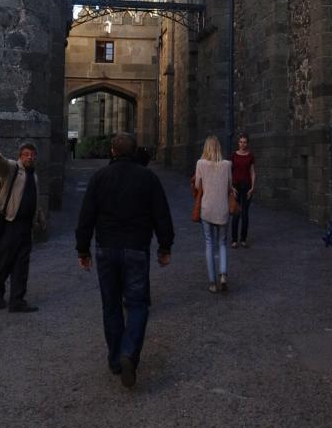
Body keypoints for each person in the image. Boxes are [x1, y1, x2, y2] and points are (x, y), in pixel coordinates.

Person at [75, 131, 174, 388]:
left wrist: (83, 250)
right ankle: (128, 352)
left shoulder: (100, 177)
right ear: (135, 151)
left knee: (111, 305)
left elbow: (86, 216)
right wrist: (165, 246)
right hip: (136, 248)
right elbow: (161, 214)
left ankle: (116, 359)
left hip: (106, 248)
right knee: (137, 304)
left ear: (112, 151)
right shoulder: (147, 177)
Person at [0, 142, 47, 312]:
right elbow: (3, 165)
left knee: (22, 265)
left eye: (32, 154)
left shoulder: (34, 175)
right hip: (10, 225)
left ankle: (17, 301)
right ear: (20, 156)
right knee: (4, 263)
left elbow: (35, 200)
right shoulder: (13, 168)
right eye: (26, 154)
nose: (30, 157)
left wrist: (40, 219)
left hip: (26, 227)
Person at [195, 135, 232, 293]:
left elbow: (198, 186)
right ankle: (223, 274)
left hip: (207, 209)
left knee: (209, 243)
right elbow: (230, 185)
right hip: (222, 209)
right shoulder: (227, 164)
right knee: (222, 243)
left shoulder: (200, 163)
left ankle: (212, 282)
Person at [230, 133, 255, 248]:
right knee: (236, 213)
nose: (242, 144)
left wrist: (252, 187)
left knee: (245, 213)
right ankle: (234, 240)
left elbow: (252, 172)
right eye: (241, 142)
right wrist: (231, 187)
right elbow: (229, 172)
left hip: (247, 187)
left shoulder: (250, 156)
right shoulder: (233, 155)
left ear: (247, 143)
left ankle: (243, 239)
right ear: (238, 143)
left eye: (244, 142)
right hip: (236, 187)